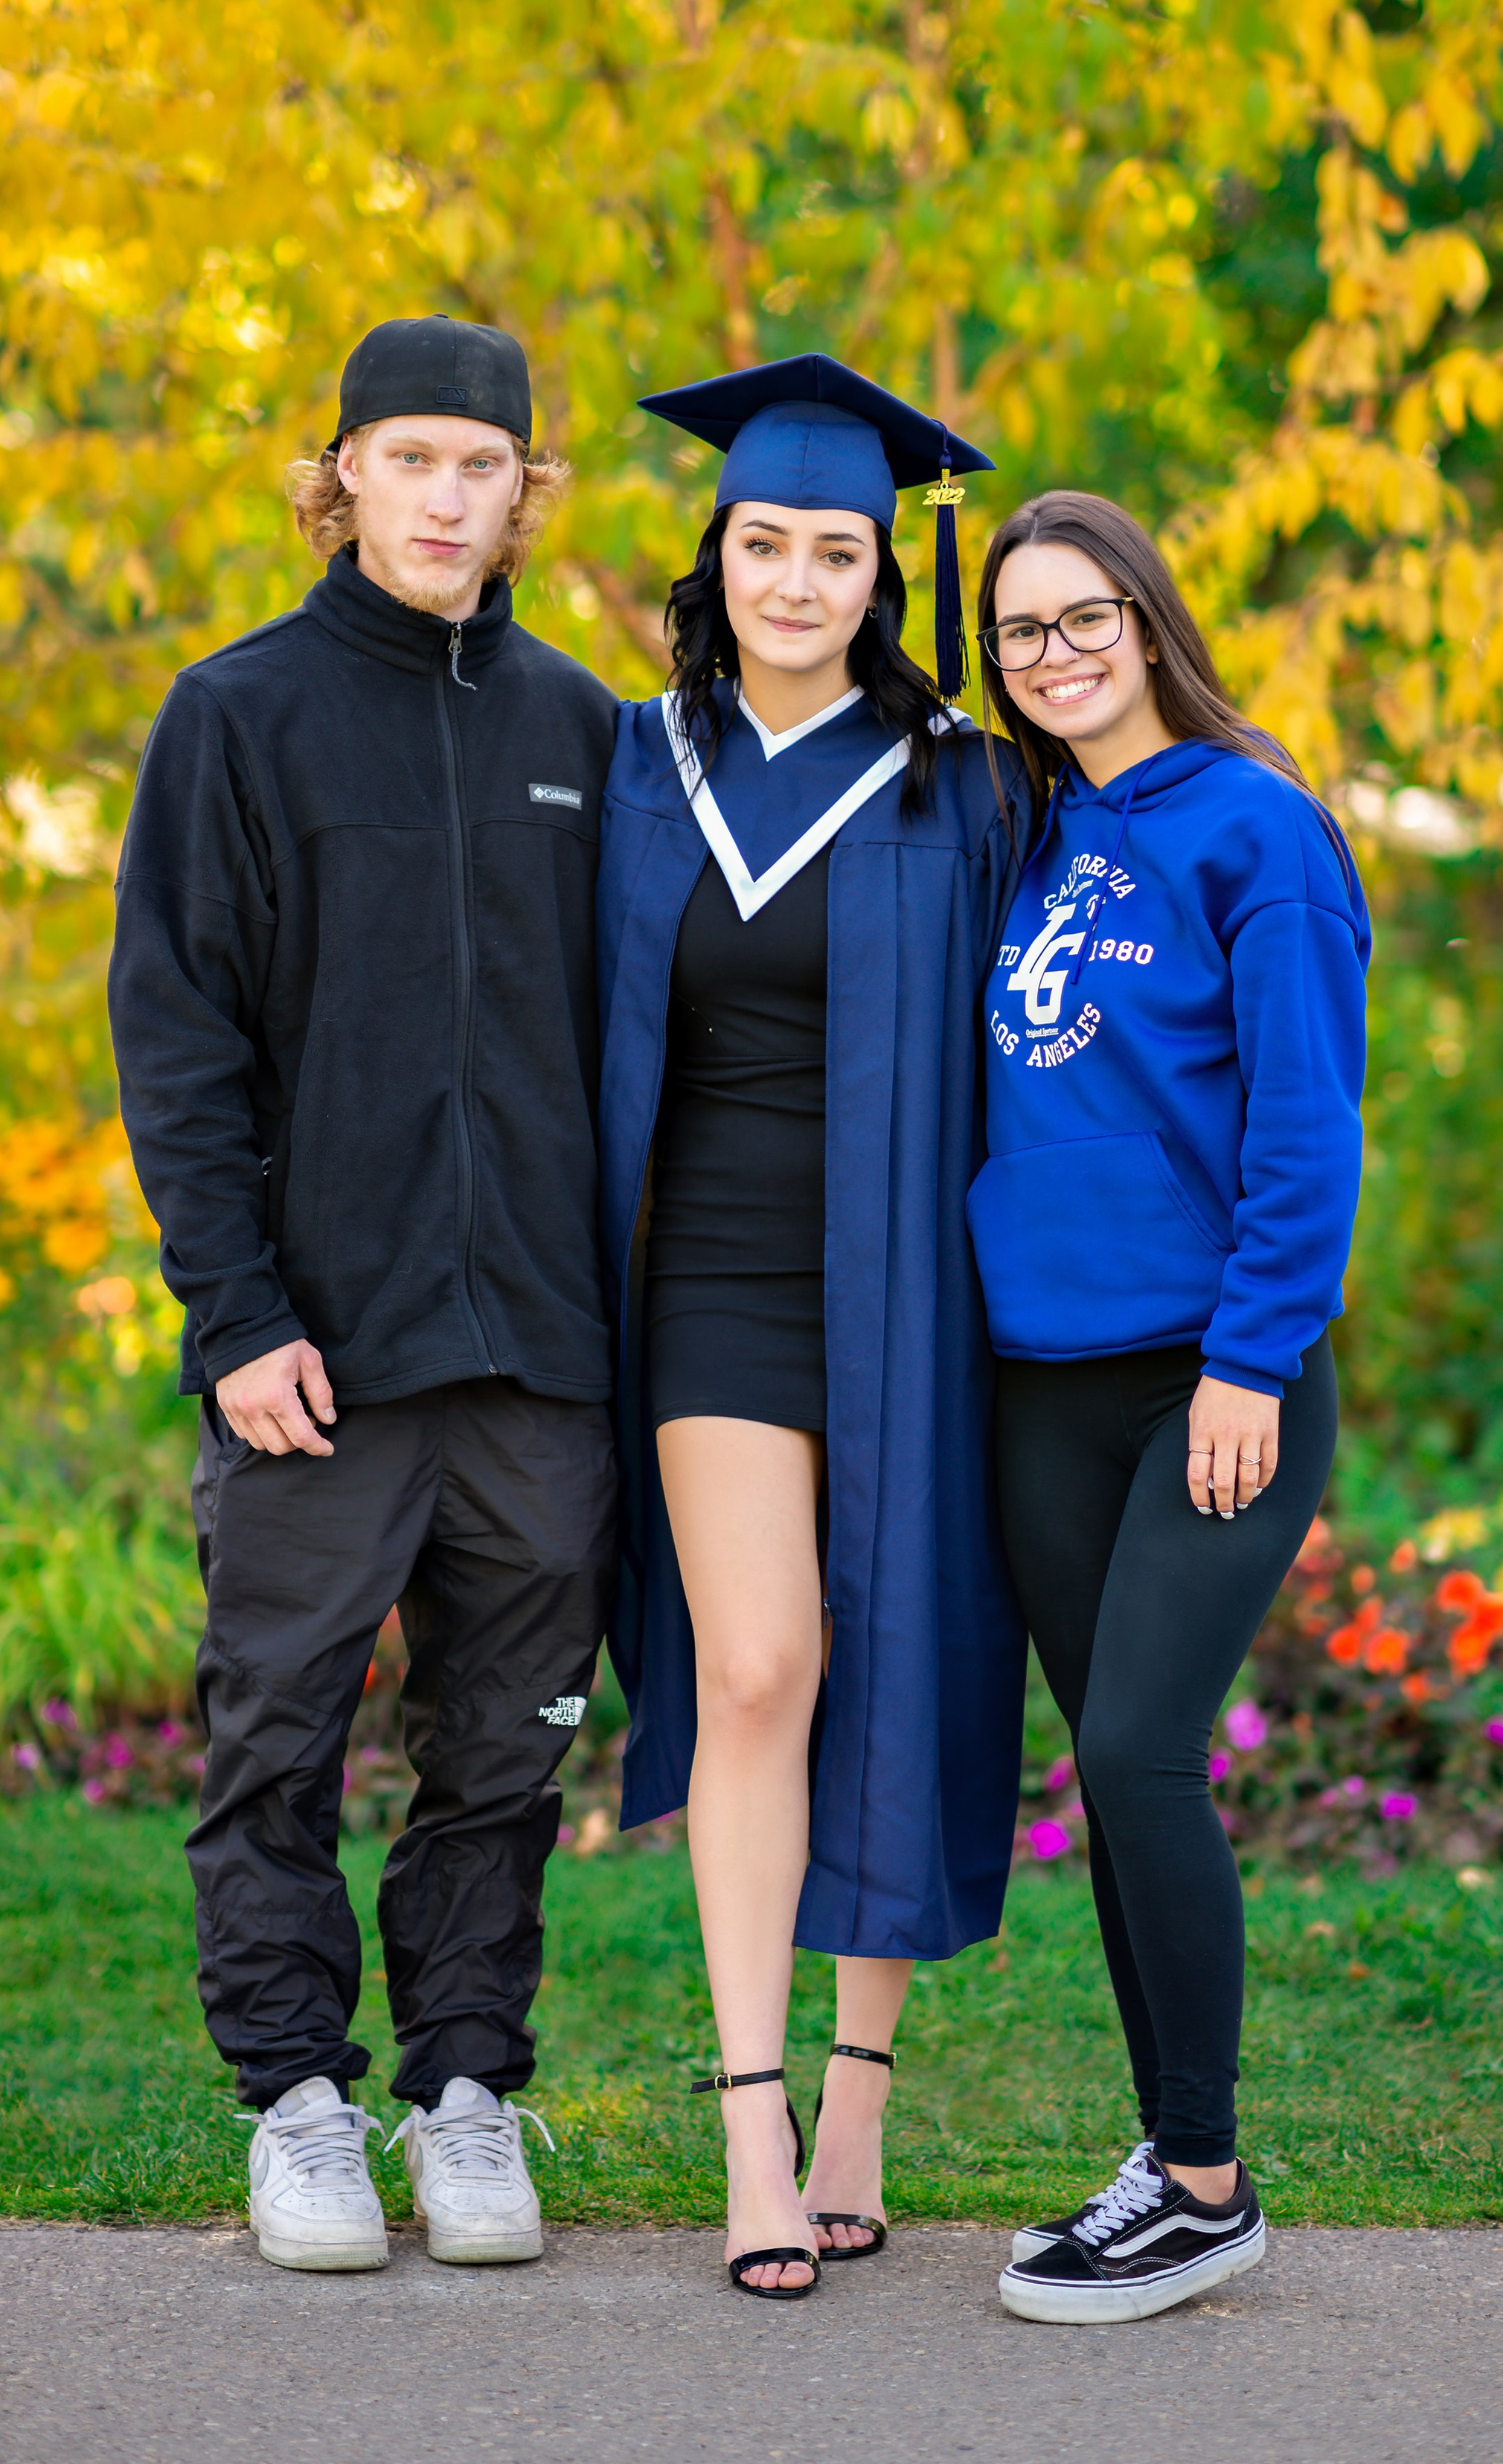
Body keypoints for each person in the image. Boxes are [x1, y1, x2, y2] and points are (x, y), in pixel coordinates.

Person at [109, 316, 619, 2275]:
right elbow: (179, 1034)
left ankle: (466, 2087)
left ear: (520, 493)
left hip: (540, 1357)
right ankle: (296, 2100)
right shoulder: (238, 713)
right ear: (341, 478)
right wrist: (234, 1312)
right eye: (405, 457)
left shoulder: (583, 733)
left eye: (478, 464)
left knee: (508, 1748)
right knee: (280, 1741)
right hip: (315, 1358)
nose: (442, 495)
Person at [597, 356, 1027, 2297]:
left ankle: (861, 2089)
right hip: (712, 1284)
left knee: (893, 1655)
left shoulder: (967, 779)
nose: (795, 577)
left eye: (835, 548)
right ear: (719, 554)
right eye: (762, 541)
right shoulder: (628, 763)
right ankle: (752, 2120)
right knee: (761, 1662)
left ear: (880, 569)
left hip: (913, 1290)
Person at [966, 490, 1370, 2327]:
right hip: (1041, 1381)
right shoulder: (1025, 835)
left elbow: (1304, 1122)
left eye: (1079, 618)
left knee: (1136, 1751)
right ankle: (1168, 2156)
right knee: (1113, 1786)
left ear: (1144, 616)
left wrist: (1249, 1354)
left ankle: (1204, 2188)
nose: (1050, 656)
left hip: (1209, 1375)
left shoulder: (1251, 828)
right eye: (1019, 633)